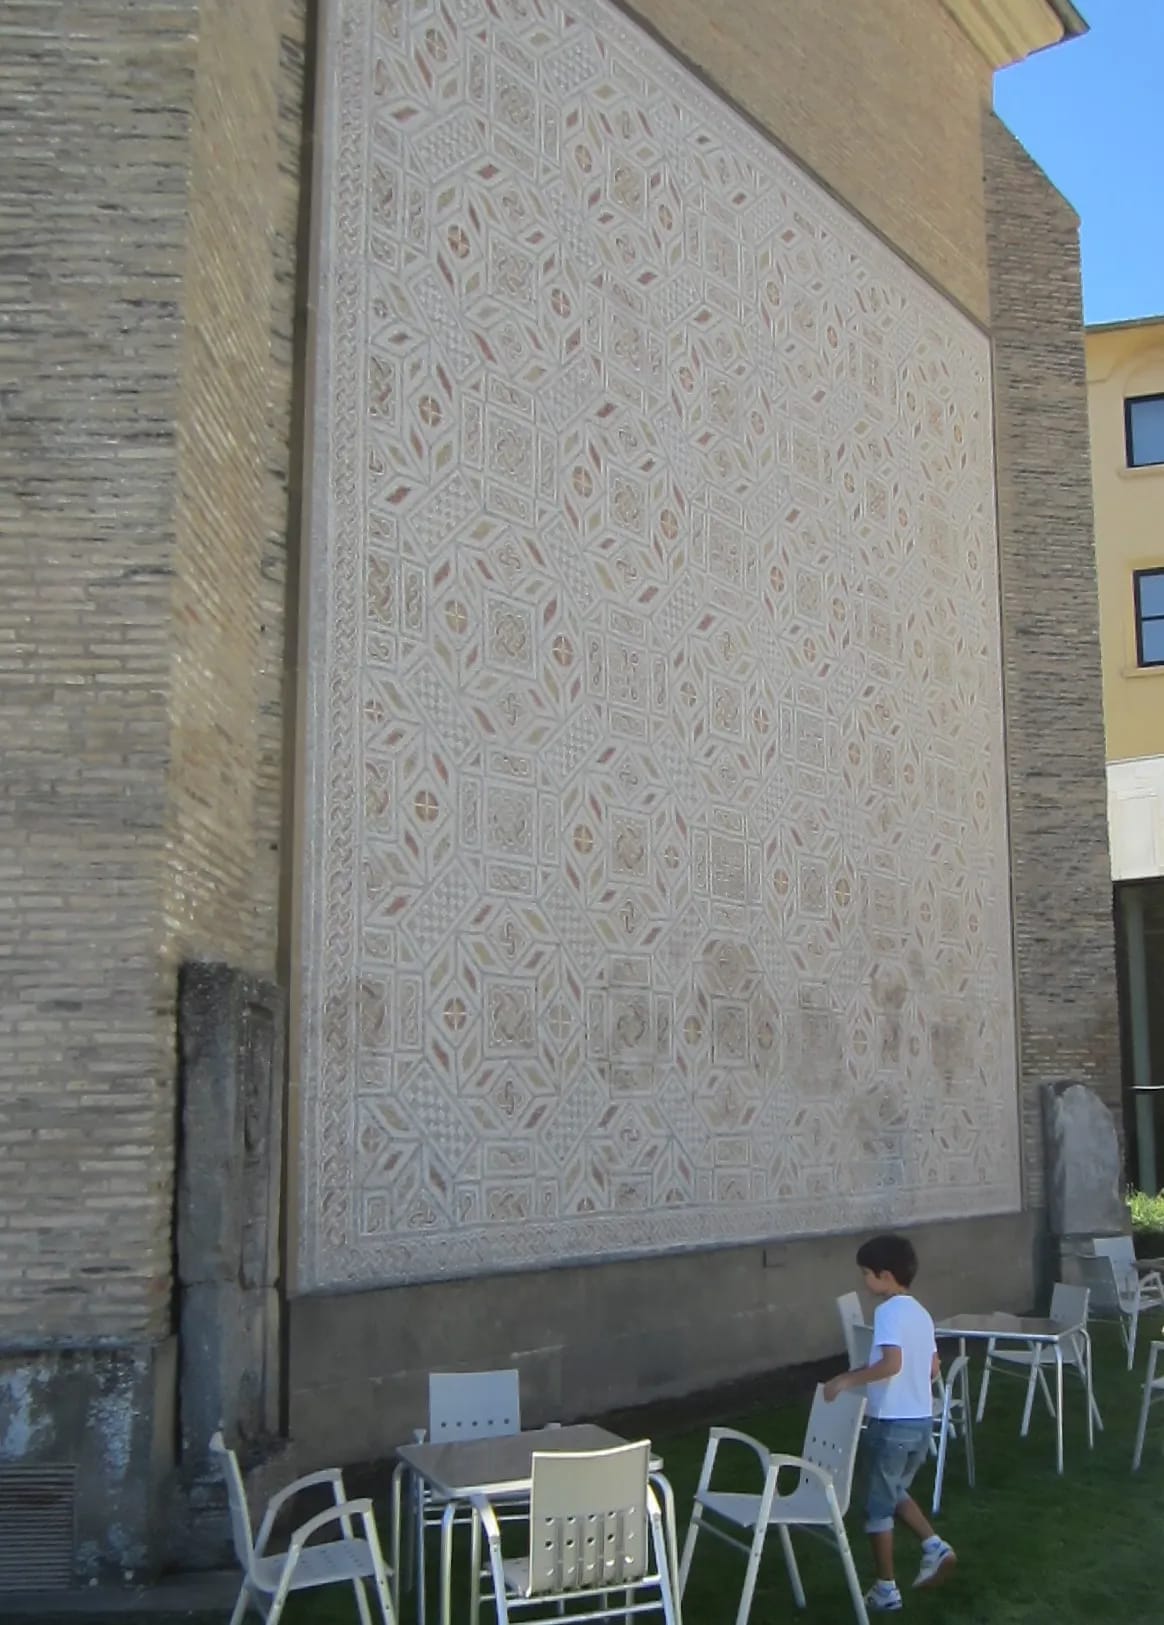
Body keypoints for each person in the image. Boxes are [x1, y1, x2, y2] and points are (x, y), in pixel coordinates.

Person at [823, 1233, 956, 1613]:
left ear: (884, 1275)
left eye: (866, 1273)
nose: (864, 1282)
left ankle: (886, 1588)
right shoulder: (921, 1313)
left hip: (891, 1424)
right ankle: (934, 1547)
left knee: (877, 1508)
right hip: (920, 1423)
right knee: (893, 1489)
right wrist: (864, 1370)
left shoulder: (887, 1313)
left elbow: (892, 1364)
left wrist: (846, 1381)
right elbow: (931, 1367)